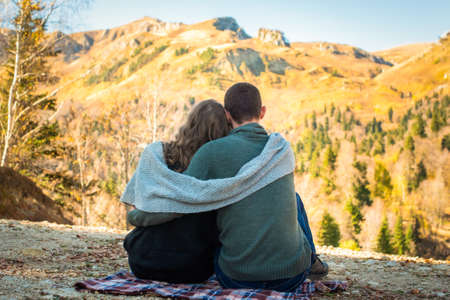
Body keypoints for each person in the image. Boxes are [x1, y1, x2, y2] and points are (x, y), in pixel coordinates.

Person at [124, 83, 328, 289]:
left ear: (227, 114)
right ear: (263, 112)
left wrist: (135, 216)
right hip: (292, 278)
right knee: (294, 199)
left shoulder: (211, 151)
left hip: (237, 278)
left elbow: (180, 201)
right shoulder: (282, 149)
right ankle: (311, 262)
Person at [123, 99, 229, 283]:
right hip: (194, 268)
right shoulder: (221, 166)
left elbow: (136, 204)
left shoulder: (158, 154)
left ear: (190, 122)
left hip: (143, 261)